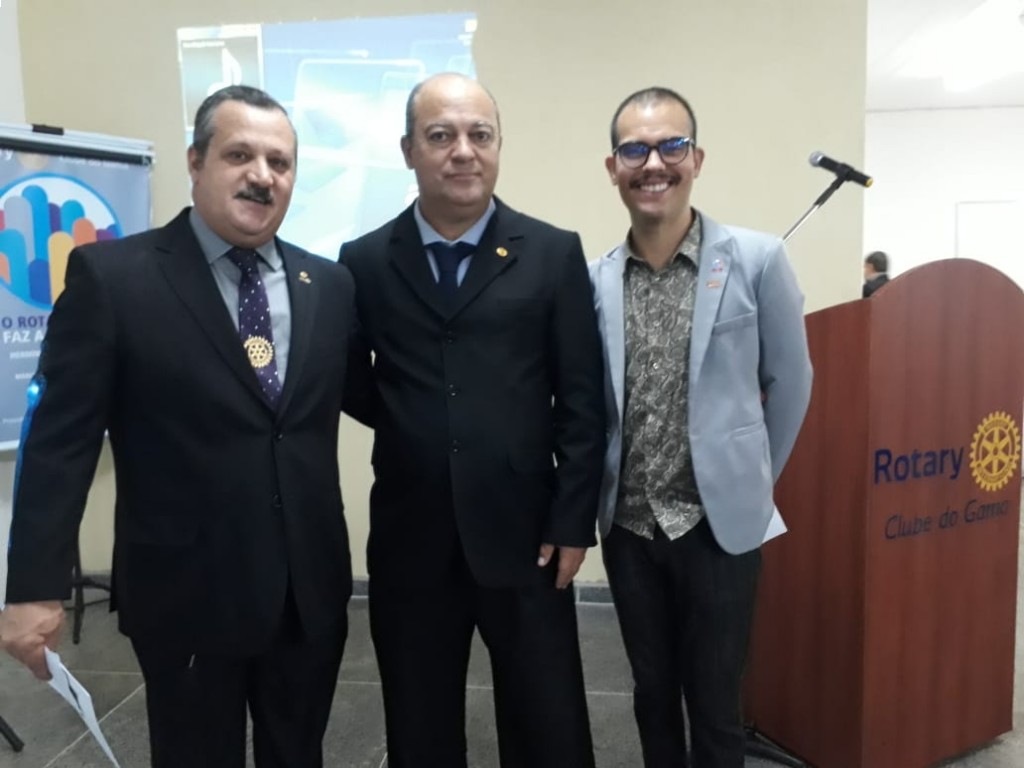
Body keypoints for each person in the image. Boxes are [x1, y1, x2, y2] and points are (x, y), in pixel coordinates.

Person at [0, 85, 369, 768]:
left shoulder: (329, 284)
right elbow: (59, 445)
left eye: (280, 162)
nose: (262, 175)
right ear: (196, 162)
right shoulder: (115, 279)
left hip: (307, 591)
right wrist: (32, 588)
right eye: (239, 155)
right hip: (187, 595)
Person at [339, 72, 605, 768]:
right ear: (408, 150)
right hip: (410, 535)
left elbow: (582, 399)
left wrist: (573, 520)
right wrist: (415, 423)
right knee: (419, 723)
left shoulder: (552, 252)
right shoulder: (363, 262)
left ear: (497, 146)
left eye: (479, 135)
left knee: (547, 725)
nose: (463, 150)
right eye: (441, 135)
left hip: (528, 534)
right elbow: (351, 379)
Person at [590, 86, 813, 767]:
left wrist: (752, 482)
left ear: (697, 158)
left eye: (671, 146)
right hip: (629, 528)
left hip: (720, 529)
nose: (653, 163)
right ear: (614, 167)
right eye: (635, 150)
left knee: (716, 702)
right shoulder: (597, 280)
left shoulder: (757, 259)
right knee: (651, 691)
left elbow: (792, 382)